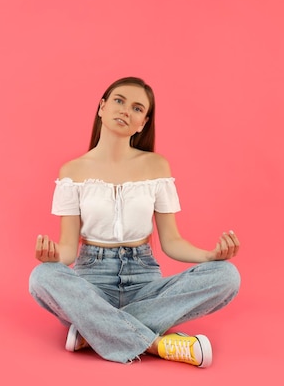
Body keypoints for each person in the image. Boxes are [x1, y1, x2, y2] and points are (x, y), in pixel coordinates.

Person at [28, 77, 241, 368]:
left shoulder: (157, 166)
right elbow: (67, 249)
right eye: (119, 100)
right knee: (42, 277)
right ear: (102, 107)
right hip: (92, 283)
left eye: (137, 108)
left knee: (227, 275)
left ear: (143, 122)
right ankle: (156, 345)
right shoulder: (72, 171)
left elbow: (171, 242)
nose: (126, 110)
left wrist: (210, 256)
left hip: (144, 281)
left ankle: (94, 330)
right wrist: (51, 257)